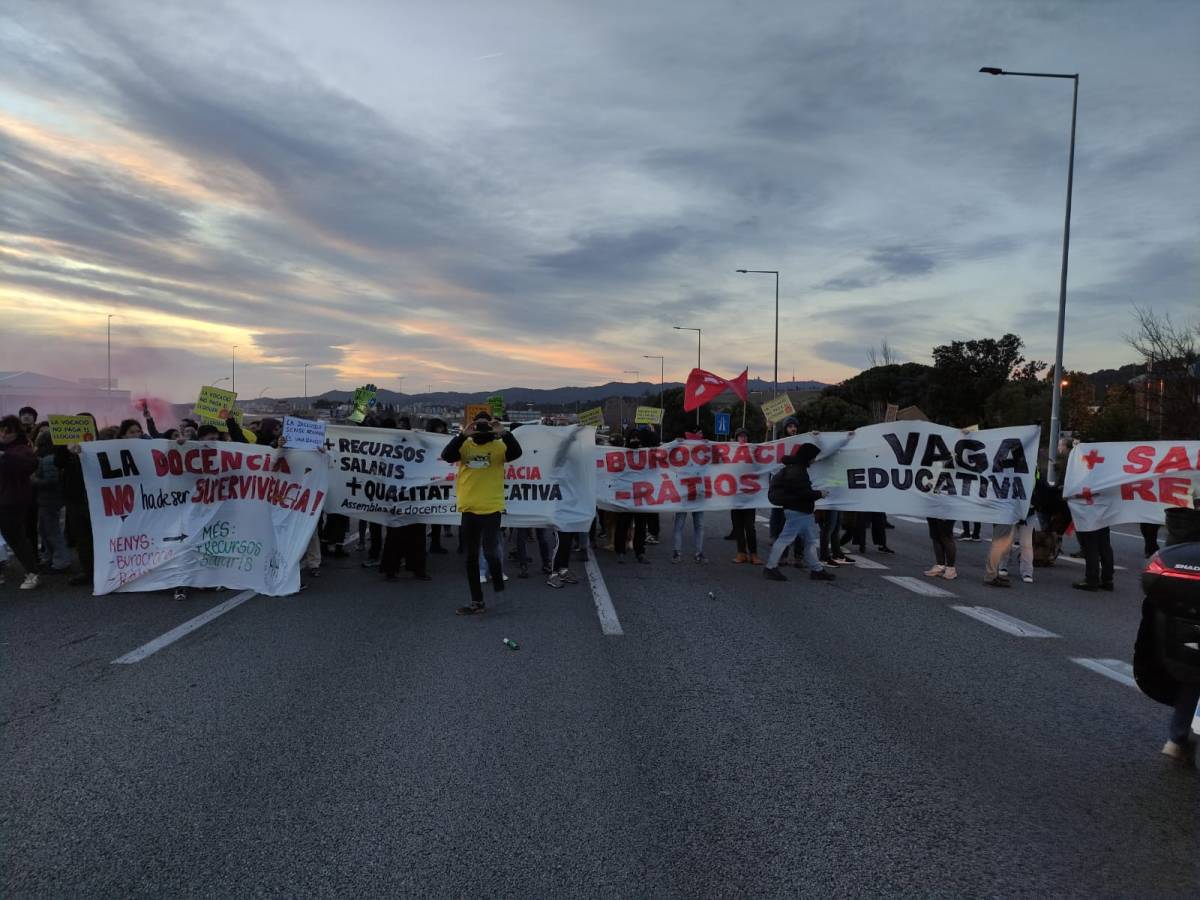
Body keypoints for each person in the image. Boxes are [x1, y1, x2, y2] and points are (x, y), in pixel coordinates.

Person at [441, 413, 522, 615]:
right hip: (469, 509)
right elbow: (447, 456)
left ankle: (498, 587)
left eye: (485, 428)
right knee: (470, 557)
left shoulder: (498, 447)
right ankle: (477, 601)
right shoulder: (465, 446)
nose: (482, 432)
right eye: (479, 427)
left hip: (491, 508)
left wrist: (503, 432)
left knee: (490, 552)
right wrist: (462, 435)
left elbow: (516, 453)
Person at [763, 442, 834, 582]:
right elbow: (803, 492)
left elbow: (799, 491)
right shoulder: (798, 471)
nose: (815, 459)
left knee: (809, 541)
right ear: (807, 456)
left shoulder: (795, 468)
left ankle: (817, 570)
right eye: (813, 456)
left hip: (800, 511)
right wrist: (820, 493)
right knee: (787, 540)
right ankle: (770, 567)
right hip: (798, 511)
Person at [0, 415, 39, 589]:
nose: (3, 434)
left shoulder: (22, 449)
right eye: (1, 430)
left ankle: (32, 573)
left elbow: (30, 464)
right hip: (7, 497)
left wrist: (5, 456)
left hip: (12, 500)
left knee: (15, 536)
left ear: (16, 433)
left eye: (8, 431)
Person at [31, 430, 71, 572]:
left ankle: (61, 561)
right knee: (45, 530)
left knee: (52, 532)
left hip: (49, 500)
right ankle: (51, 557)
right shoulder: (49, 456)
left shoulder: (47, 458)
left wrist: (33, 480)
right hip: (48, 500)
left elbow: (51, 480)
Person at [728, 428, 762, 564]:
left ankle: (754, 554)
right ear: (736, 439)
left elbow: (763, 462)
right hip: (735, 497)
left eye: (745, 436)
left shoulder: (753, 452)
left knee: (750, 527)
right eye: (740, 436)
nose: (743, 439)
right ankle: (741, 553)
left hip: (749, 497)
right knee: (738, 526)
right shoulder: (730, 453)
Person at [1073, 526, 1115, 592]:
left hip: (1090, 519)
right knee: (1105, 543)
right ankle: (1107, 579)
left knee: (1090, 544)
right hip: (1103, 518)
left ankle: (1091, 579)